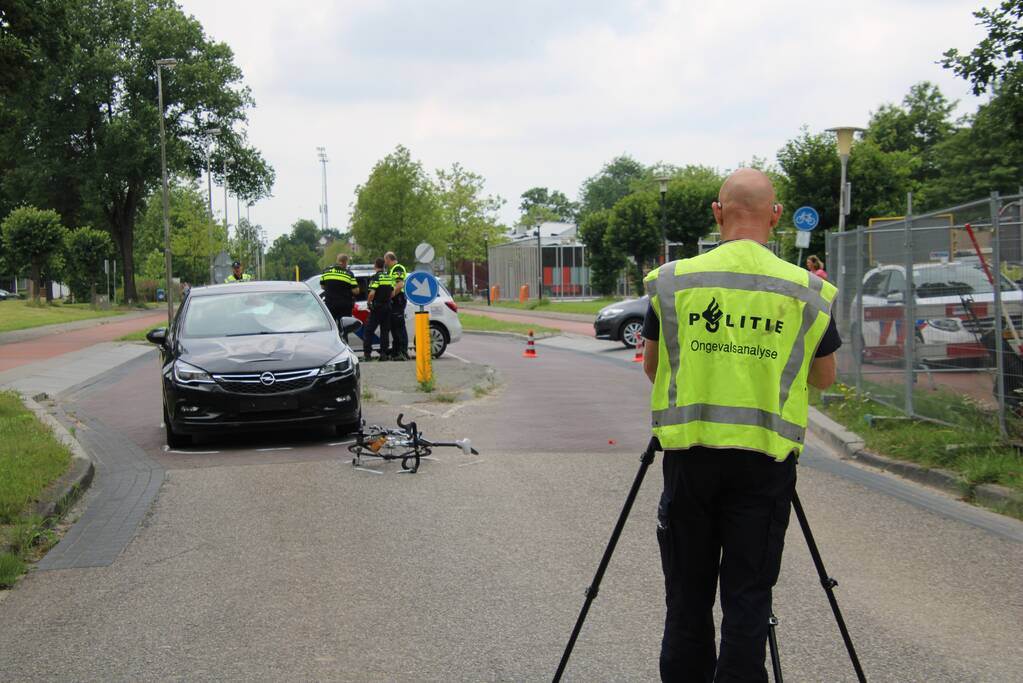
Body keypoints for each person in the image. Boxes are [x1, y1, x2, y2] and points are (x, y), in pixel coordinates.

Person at [642, 168, 841, 683]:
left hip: (690, 460)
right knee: (748, 599)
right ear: (776, 216)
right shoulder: (803, 289)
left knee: (687, 599)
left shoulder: (674, 280)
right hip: (765, 466)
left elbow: (651, 366)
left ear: (717, 211)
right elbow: (824, 377)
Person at [363, 257, 394, 361]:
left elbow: (372, 293)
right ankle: (383, 354)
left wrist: (368, 302)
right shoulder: (389, 277)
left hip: (377, 308)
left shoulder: (376, 277)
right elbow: (392, 293)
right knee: (384, 331)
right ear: (384, 266)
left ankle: (367, 354)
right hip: (388, 307)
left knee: (369, 331)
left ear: (375, 265)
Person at [320, 253, 359, 333]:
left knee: (330, 328)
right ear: (345, 262)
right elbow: (356, 291)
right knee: (344, 329)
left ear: (337, 261)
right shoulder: (349, 274)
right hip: (344, 306)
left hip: (330, 304)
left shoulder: (326, 271)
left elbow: (322, 286)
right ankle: (343, 343)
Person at [384, 251, 409, 360]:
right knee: (395, 327)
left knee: (399, 327)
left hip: (397, 300)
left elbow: (399, 284)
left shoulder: (397, 268)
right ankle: (396, 351)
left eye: (386, 260)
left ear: (389, 259)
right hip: (395, 300)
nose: (385, 263)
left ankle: (403, 352)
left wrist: (390, 296)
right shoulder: (392, 270)